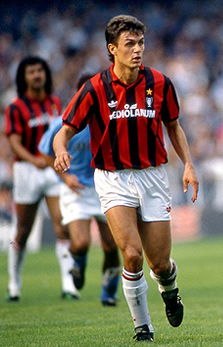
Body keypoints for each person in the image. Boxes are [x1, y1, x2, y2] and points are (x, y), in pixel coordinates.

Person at [52, 15, 199, 342]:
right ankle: (142, 327)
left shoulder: (160, 82)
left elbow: (174, 126)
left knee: (159, 263)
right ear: (112, 49)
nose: (137, 50)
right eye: (129, 44)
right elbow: (63, 132)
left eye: (140, 43)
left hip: (153, 176)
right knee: (131, 254)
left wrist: (188, 164)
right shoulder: (94, 89)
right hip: (113, 179)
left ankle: (170, 290)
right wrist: (60, 150)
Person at [39, 73, 121, 307]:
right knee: (81, 242)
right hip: (75, 190)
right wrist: (65, 178)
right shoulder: (63, 123)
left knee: (111, 245)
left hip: (104, 187)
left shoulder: (109, 119)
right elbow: (46, 151)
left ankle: (109, 293)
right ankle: (78, 264)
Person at [4, 56, 78, 302]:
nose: (36, 75)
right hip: (27, 170)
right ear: (23, 77)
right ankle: (14, 284)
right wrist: (33, 158)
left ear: (46, 74)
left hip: (52, 168)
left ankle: (68, 285)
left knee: (62, 224)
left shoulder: (55, 103)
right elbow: (13, 142)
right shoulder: (16, 107)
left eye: (39, 70)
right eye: (31, 71)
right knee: (23, 230)